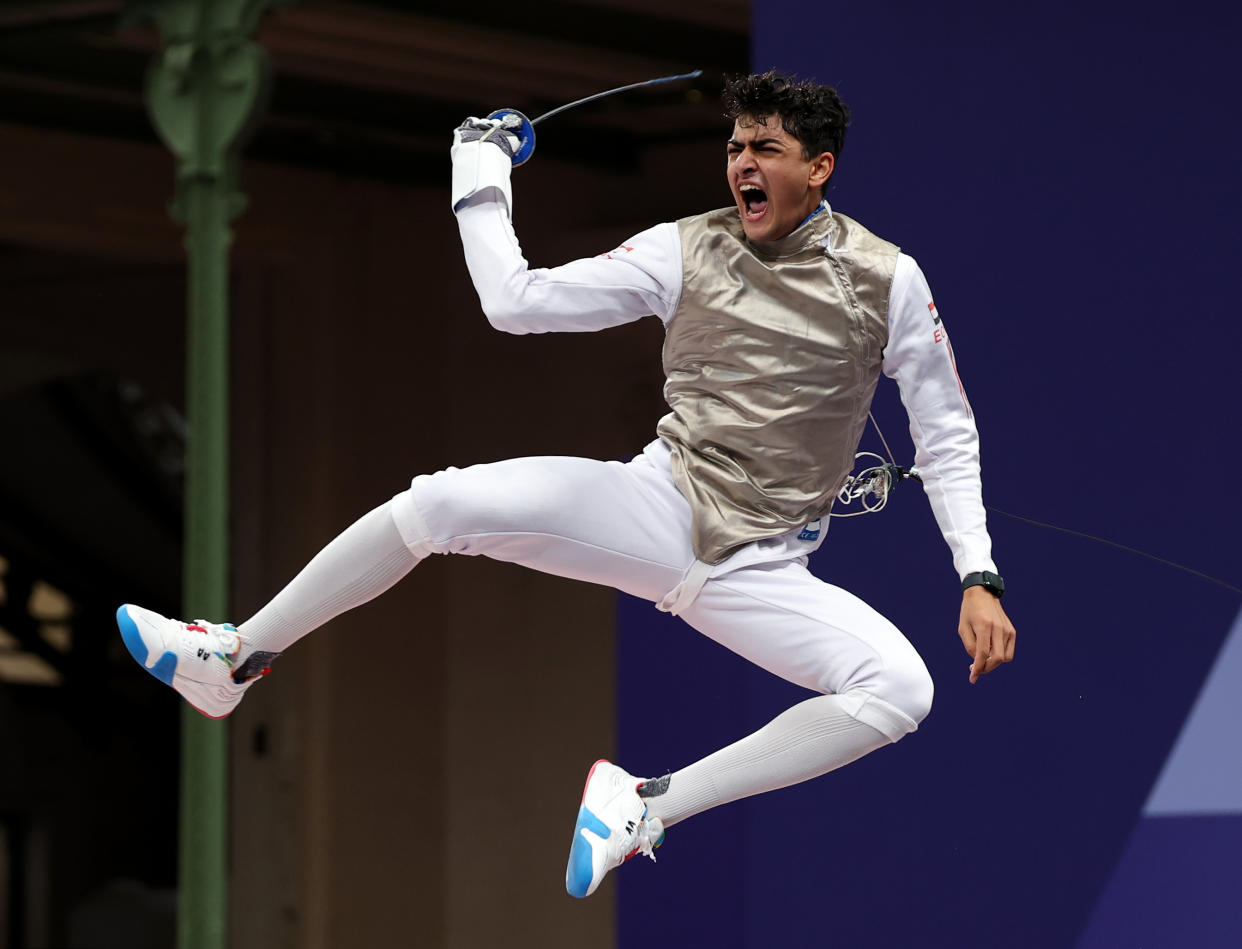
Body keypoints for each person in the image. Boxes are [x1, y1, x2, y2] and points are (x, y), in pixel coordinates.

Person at [117, 71, 1016, 900]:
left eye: (767, 150)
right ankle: (231, 657)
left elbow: (944, 429)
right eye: (737, 146)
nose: (744, 163)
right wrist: (479, 172)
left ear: (818, 168)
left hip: (764, 572)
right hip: (655, 508)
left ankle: (647, 802)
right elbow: (515, 301)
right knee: (439, 503)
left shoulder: (888, 279)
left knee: (901, 688)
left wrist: (976, 574)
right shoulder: (683, 250)